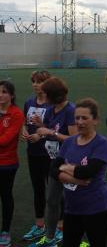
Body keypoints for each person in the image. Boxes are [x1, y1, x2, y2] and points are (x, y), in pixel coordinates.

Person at [51, 98, 107, 247]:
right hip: (72, 208)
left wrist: (65, 167)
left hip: (96, 208)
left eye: (84, 118)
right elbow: (53, 170)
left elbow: (87, 172)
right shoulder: (69, 142)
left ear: (95, 120)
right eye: (77, 118)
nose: (79, 122)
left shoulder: (101, 143)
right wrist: (76, 180)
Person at [31, 77, 77, 247]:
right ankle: (50, 238)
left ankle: (73, 238)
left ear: (53, 95)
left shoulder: (70, 111)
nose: (43, 95)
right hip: (55, 162)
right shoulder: (51, 110)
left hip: (69, 164)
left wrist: (48, 131)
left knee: (71, 202)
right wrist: (41, 125)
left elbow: (73, 139)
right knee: (51, 200)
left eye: (46, 93)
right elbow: (52, 129)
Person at [21, 70, 52, 242]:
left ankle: (59, 226)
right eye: (33, 81)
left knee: (54, 192)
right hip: (33, 153)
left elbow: (56, 128)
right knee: (38, 190)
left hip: (49, 153)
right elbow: (25, 123)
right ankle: (39, 225)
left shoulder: (53, 105)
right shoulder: (28, 102)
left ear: (47, 83)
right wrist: (24, 132)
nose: (35, 84)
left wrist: (40, 135)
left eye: (39, 81)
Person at [0, 80, 25, 247]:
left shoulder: (16, 114)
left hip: (6, 163)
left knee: (5, 195)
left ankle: (5, 231)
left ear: (11, 95)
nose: (0, 95)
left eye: (4, 92)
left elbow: (6, 140)